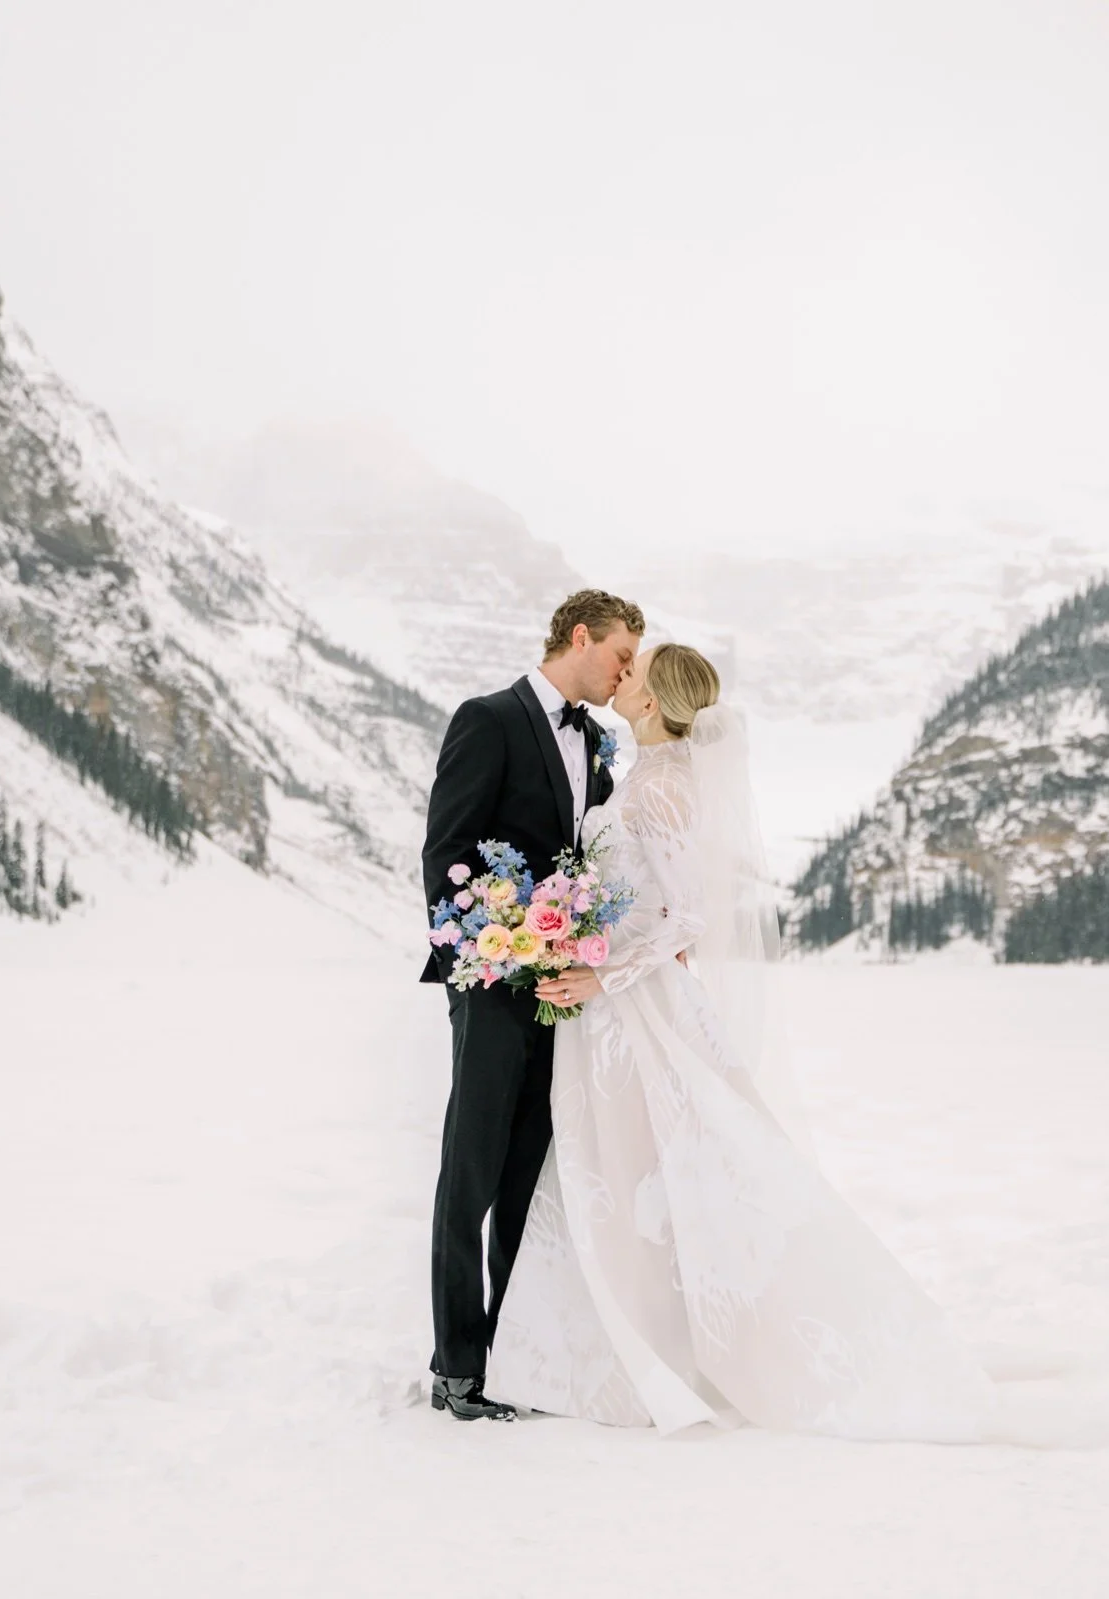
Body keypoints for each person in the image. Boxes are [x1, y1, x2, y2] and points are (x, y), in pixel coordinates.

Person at [485, 643, 1004, 1439]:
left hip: (636, 1009)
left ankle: (659, 1356)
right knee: (619, 1172)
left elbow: (689, 917)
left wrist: (601, 973)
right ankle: (607, 1350)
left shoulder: (665, 792)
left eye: (635, 672)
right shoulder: (642, 775)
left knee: (648, 1172)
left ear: (654, 702)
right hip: (607, 1008)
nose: (620, 675)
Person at [418, 589, 643, 1422]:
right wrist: (488, 958)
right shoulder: (487, 718)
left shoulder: (600, 746)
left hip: (564, 998)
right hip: (491, 987)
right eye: (621, 655)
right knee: (468, 1176)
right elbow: (447, 855)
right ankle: (454, 1367)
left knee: (527, 1181)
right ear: (579, 636)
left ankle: (511, 1361)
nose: (625, 673)